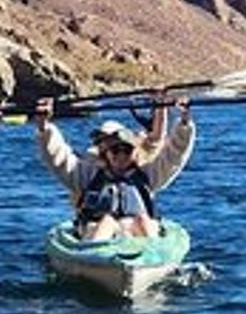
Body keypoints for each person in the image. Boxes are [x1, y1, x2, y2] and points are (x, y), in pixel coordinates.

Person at [34, 95, 196, 241]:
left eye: (127, 150)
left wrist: (184, 122)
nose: (121, 155)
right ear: (105, 152)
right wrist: (44, 127)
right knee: (107, 222)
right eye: (115, 150)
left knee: (143, 220)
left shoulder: (148, 174)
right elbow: (58, 157)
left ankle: (150, 256)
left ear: (134, 152)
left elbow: (174, 155)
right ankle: (96, 259)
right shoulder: (87, 174)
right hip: (96, 231)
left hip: (137, 232)